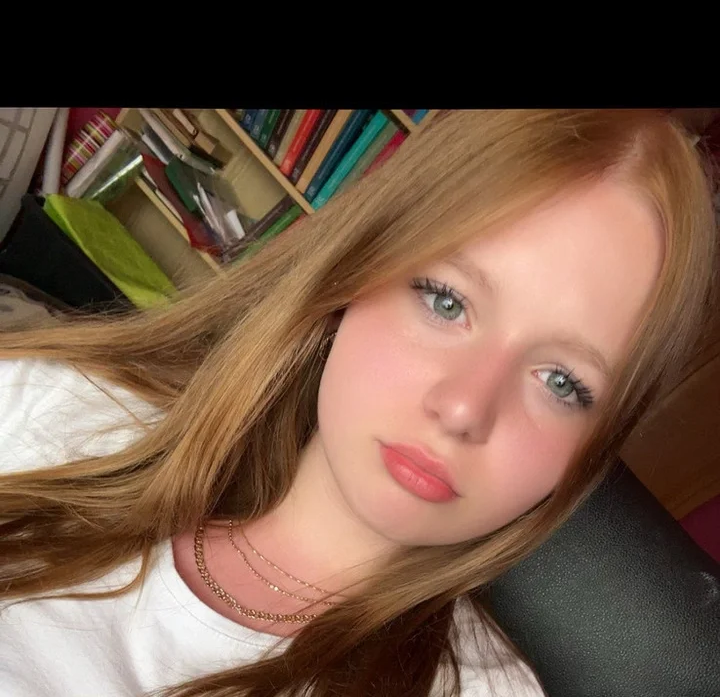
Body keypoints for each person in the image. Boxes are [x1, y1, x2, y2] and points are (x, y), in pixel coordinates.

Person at [0, 109, 716, 697]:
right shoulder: (45, 405)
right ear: (357, 269)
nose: (464, 409)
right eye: (446, 301)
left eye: (562, 382)